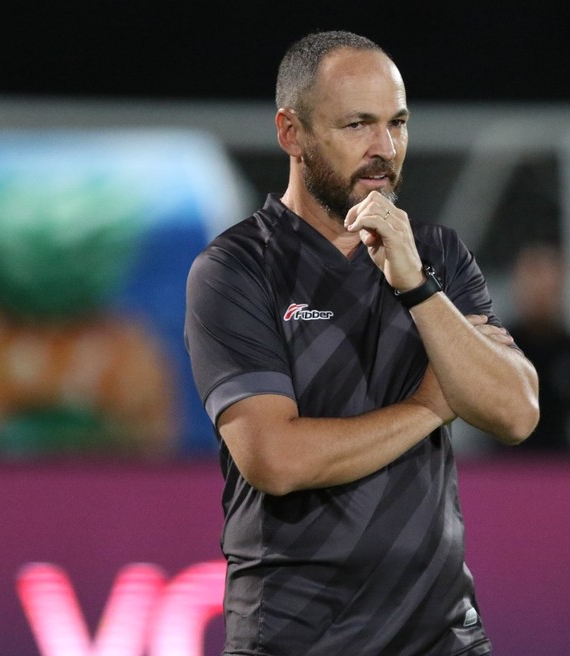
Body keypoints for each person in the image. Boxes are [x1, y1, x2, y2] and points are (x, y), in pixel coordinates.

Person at [184, 30, 539, 656]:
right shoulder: (236, 269)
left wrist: (417, 287)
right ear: (291, 132)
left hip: (442, 637)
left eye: (397, 123)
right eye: (358, 125)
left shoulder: (438, 257)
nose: (385, 149)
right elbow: (275, 458)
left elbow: (514, 413)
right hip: (294, 637)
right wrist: (430, 407)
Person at [506, 242, 570, 455]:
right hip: (504, 464)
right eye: (533, 284)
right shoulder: (499, 344)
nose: (540, 295)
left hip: (558, 463)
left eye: (548, 287)